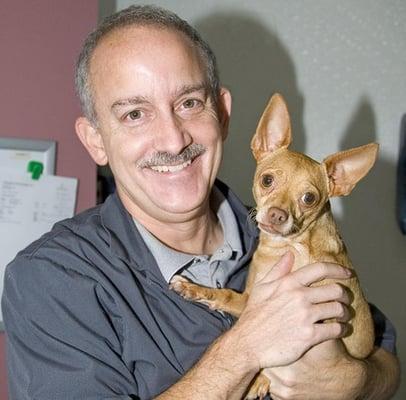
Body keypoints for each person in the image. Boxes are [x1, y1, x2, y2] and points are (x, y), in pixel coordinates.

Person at [2, 5, 400, 400]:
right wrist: (245, 347)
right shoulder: (51, 280)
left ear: (223, 115)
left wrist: (354, 381)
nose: (174, 140)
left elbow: (384, 351)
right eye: (135, 113)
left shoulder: (292, 237)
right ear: (95, 140)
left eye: (189, 103)